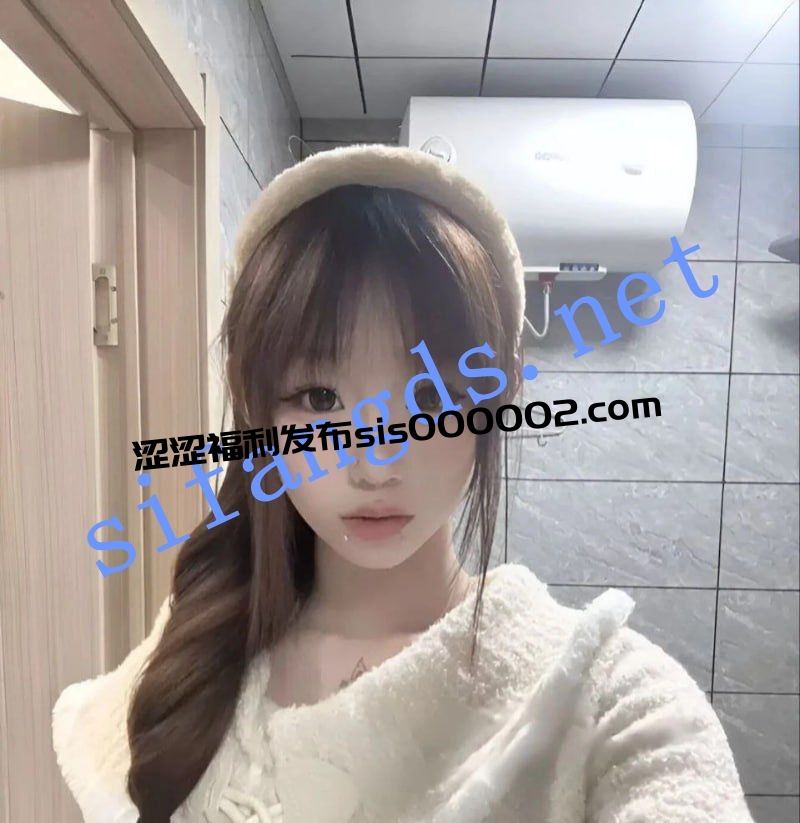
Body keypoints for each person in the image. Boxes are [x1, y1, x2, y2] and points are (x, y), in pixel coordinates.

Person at [52, 144, 754, 823]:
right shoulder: (190, 649)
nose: (374, 464)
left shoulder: (601, 696)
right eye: (320, 398)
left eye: (430, 398)